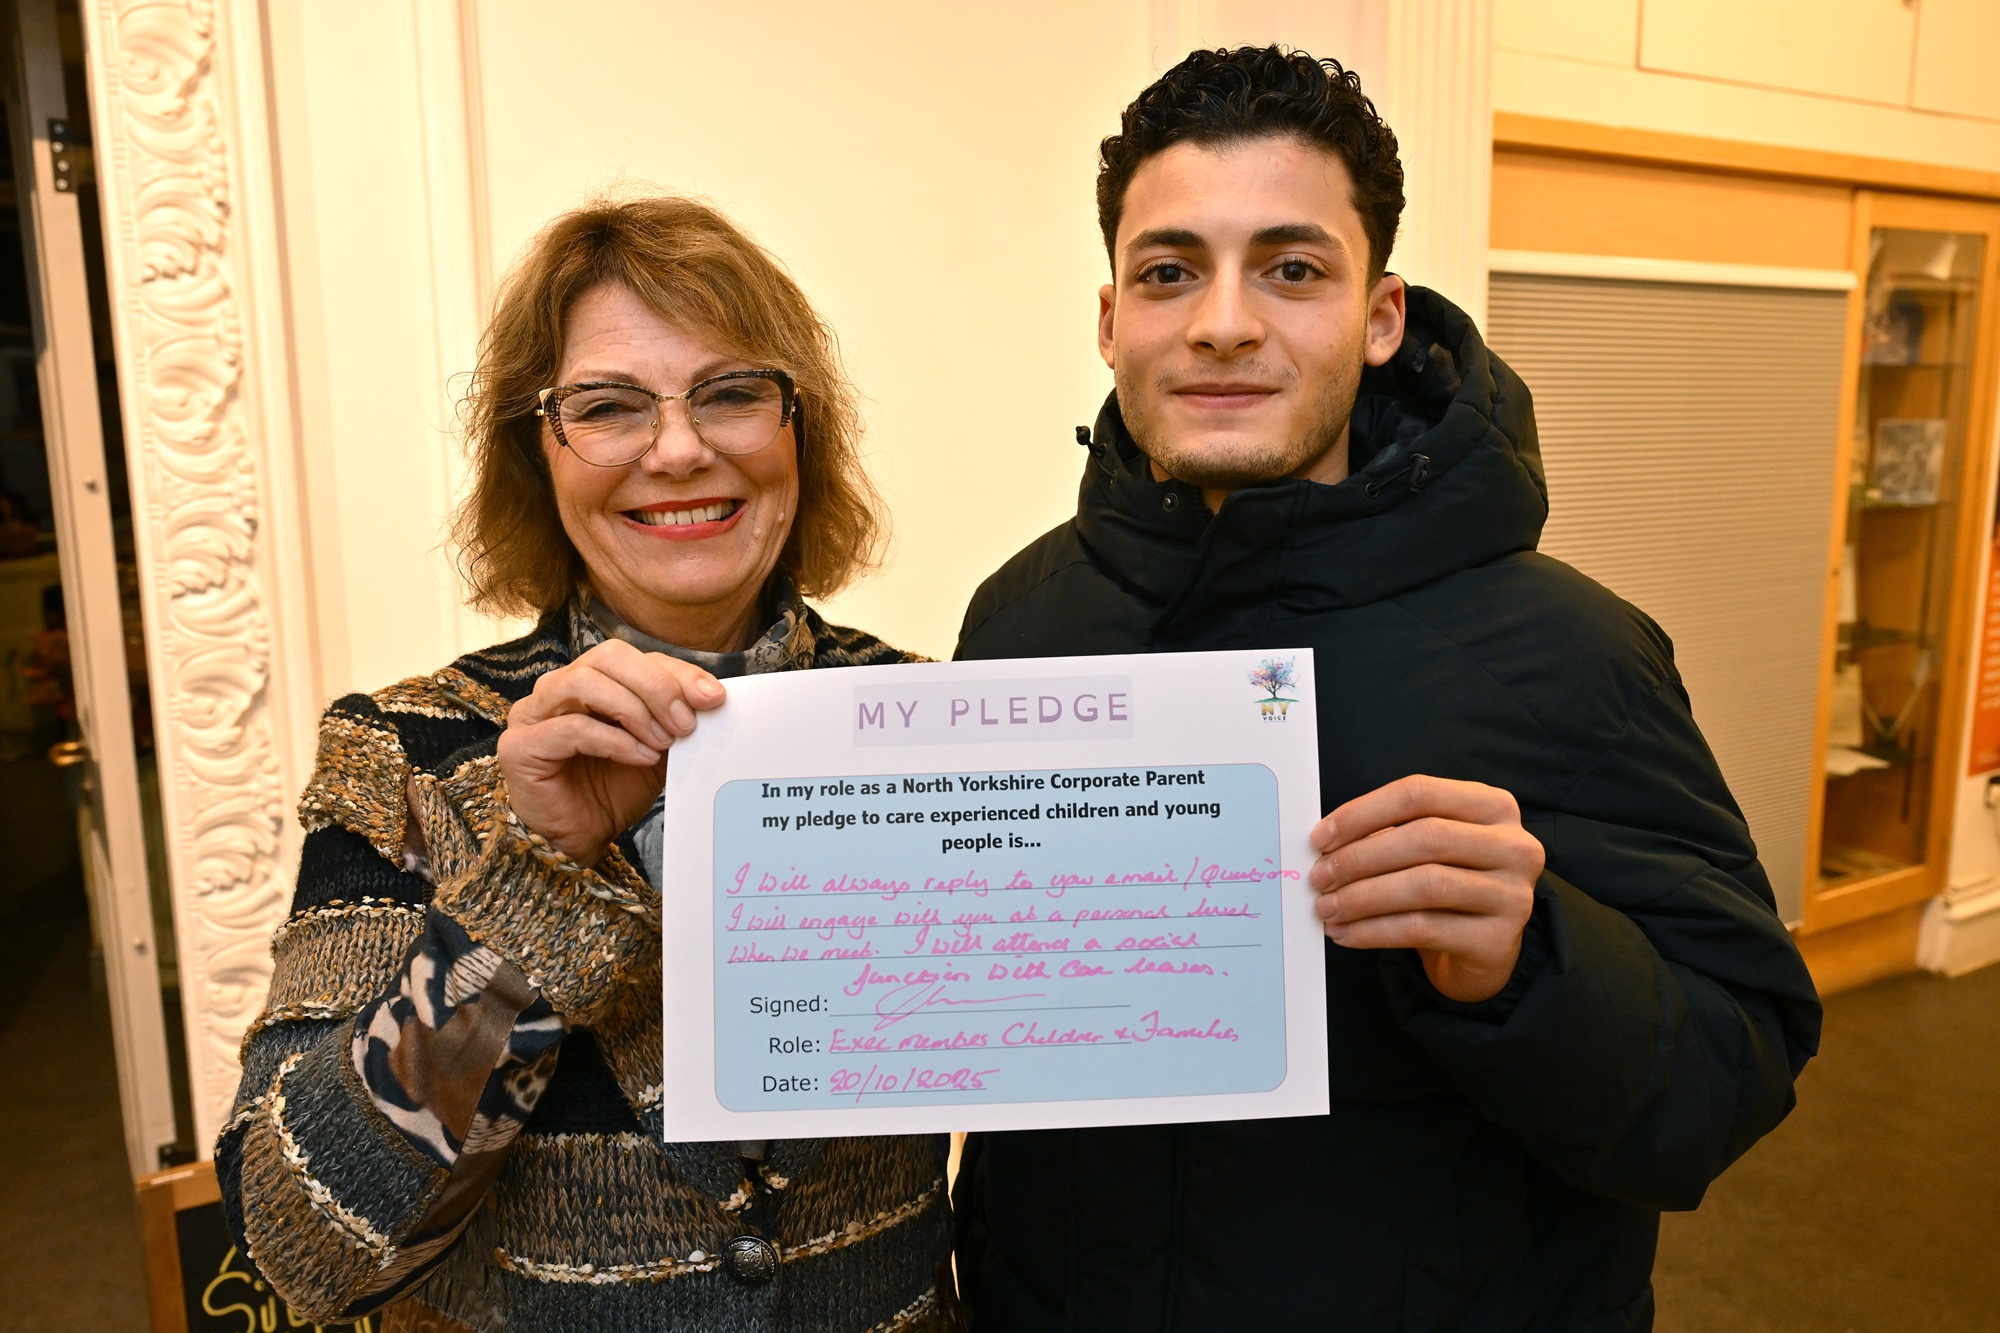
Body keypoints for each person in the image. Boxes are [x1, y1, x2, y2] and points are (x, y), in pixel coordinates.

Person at [950, 47, 1822, 1331]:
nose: (1222, 321)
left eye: (1291, 269)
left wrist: (1529, 966)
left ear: (1380, 316)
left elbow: (1726, 1075)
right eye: (1169, 270)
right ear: (1109, 317)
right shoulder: (1021, 615)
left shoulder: (1567, 651)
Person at [217, 196, 954, 1333]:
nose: (678, 448)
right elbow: (302, 1242)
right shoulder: (403, 756)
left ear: (799, 425)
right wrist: (528, 886)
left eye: (731, 391)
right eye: (607, 406)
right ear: (536, 452)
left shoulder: (924, 723)